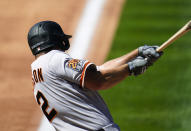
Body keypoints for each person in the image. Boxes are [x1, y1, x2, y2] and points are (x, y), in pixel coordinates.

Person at [27, 21, 163, 131]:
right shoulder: (55, 59)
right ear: (55, 40)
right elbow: (99, 81)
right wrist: (131, 68)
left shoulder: (38, 71)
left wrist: (136, 53)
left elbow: (101, 70)